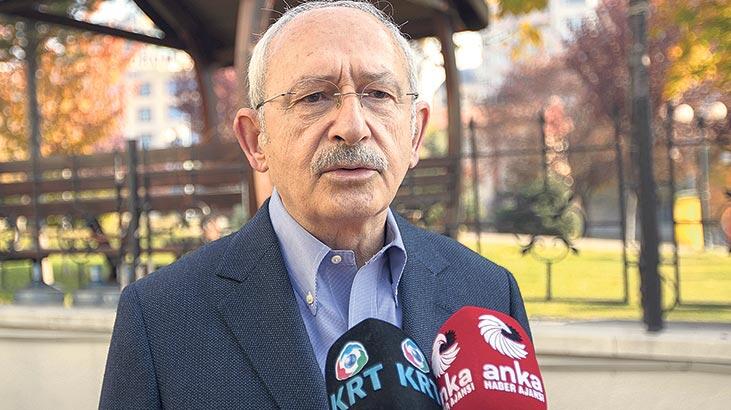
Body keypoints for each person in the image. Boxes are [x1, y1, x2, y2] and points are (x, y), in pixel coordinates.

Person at [100, 1, 530, 409]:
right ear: (256, 140)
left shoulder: (488, 295)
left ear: (415, 134)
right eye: (314, 97)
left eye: (378, 94)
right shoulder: (161, 318)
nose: (353, 127)